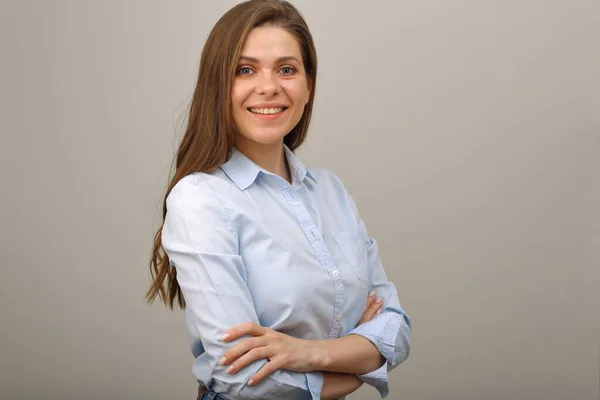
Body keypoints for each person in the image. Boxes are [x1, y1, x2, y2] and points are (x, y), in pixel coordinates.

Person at [146, 1, 412, 399]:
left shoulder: (331, 190)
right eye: (245, 69)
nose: (269, 86)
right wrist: (355, 369)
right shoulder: (200, 200)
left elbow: (395, 329)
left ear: (309, 85)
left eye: (286, 69)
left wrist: (307, 354)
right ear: (218, 85)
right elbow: (243, 379)